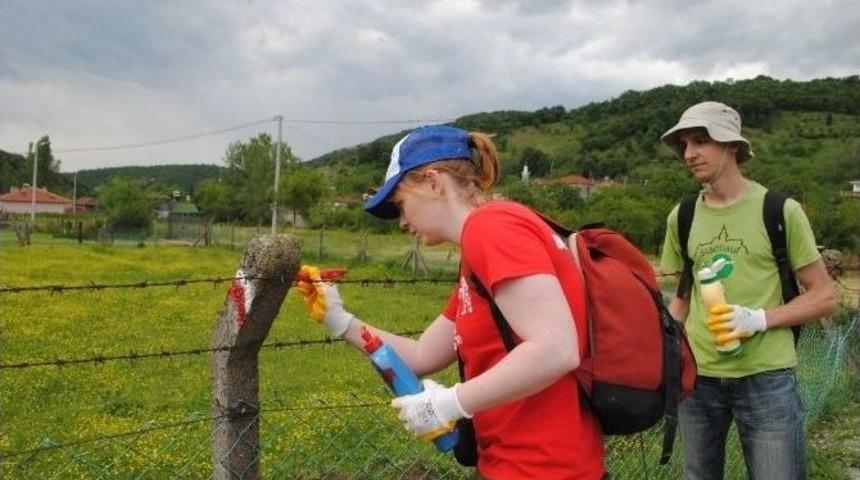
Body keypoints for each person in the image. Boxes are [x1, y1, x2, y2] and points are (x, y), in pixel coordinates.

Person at [297, 125, 605, 479]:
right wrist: (339, 319)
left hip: (543, 468)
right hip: (521, 464)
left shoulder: (491, 227)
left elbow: (557, 348)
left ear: (433, 182)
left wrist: (449, 403)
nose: (401, 222)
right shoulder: (481, 249)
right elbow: (421, 356)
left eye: (400, 204)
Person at [658, 102, 836, 480]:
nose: (689, 154)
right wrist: (666, 351)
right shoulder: (683, 216)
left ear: (731, 147)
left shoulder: (779, 211)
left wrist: (758, 319)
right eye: (685, 144)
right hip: (699, 380)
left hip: (767, 377)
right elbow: (682, 298)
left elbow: (823, 296)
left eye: (701, 141)